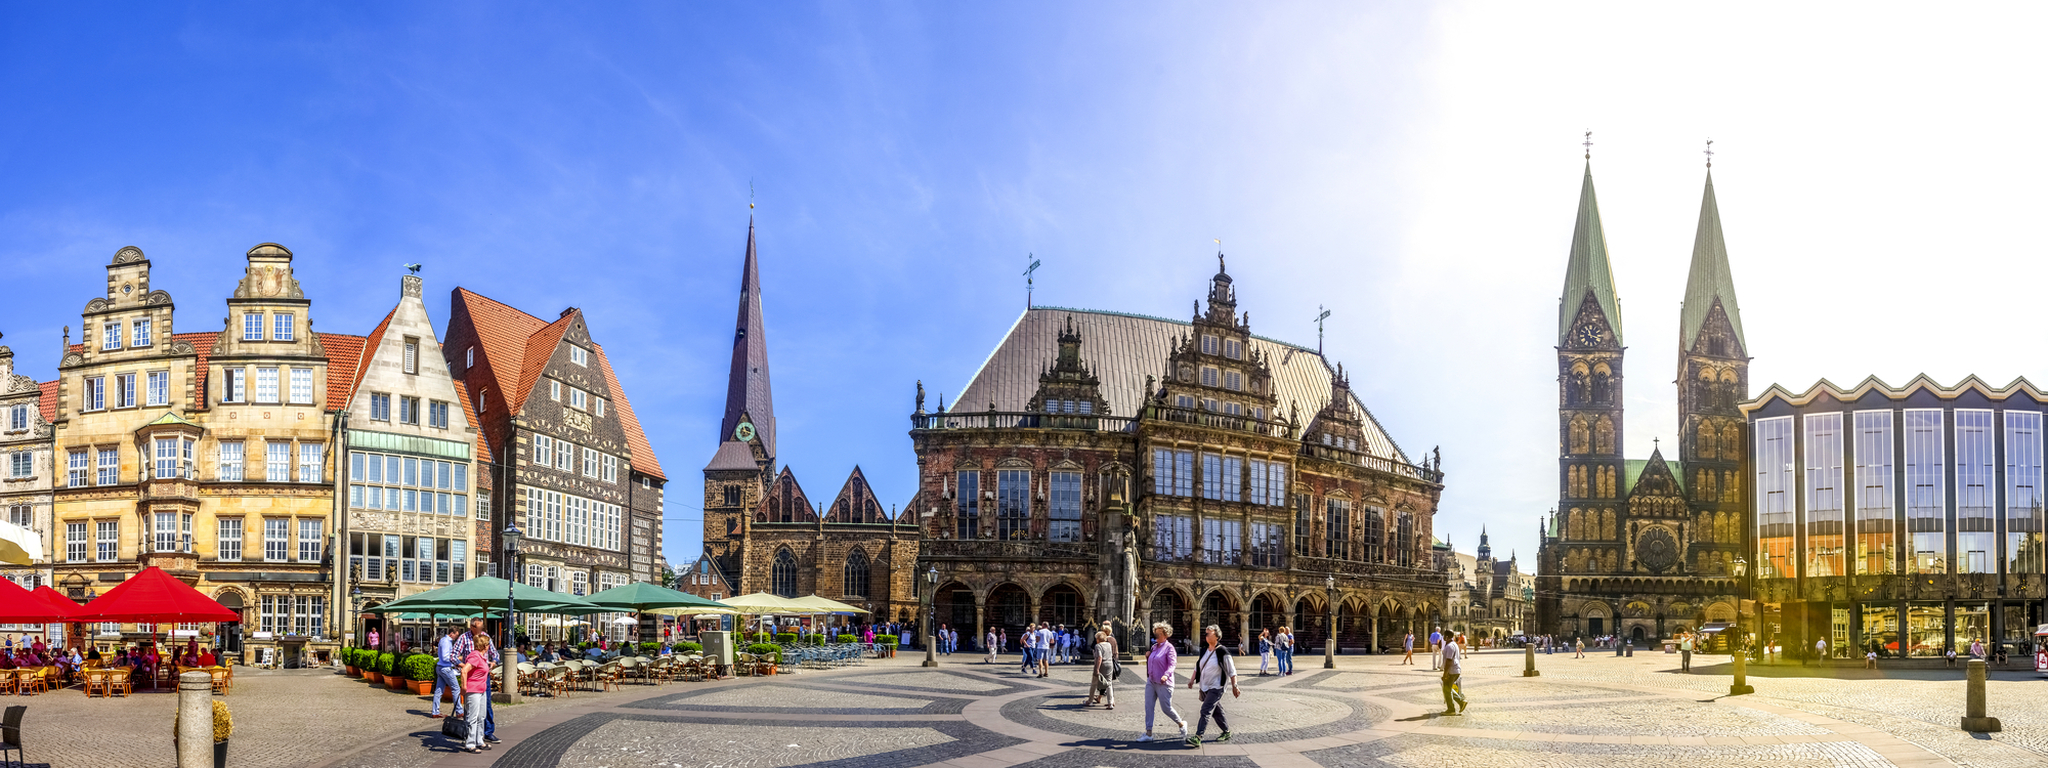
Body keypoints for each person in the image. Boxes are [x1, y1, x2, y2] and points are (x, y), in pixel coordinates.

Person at [1186, 624, 1239, 748]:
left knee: (1205, 710)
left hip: (1217, 687)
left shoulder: (1222, 651)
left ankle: (1198, 736)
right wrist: (1192, 680)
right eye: (1205, 633)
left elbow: (1232, 671)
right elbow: (1198, 666)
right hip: (1205, 686)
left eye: (1208, 633)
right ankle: (1226, 731)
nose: (1206, 635)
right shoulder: (1204, 649)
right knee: (1216, 711)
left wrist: (1235, 686)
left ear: (1216, 636)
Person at [1138, 622, 1188, 743]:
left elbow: (1172, 664)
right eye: (1155, 633)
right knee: (1148, 707)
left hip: (1164, 683)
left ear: (1165, 635)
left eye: (1158, 633)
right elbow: (1152, 662)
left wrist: (1166, 675)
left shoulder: (1169, 648)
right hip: (1151, 681)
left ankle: (1181, 724)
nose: (1156, 635)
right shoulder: (1154, 647)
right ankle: (1148, 733)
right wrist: (1147, 658)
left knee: (1166, 708)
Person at [456, 618, 500, 745]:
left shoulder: (485, 637)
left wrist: (493, 662)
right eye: (479, 628)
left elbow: (495, 654)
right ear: (472, 627)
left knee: (484, 710)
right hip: (473, 682)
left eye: (482, 628)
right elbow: (453, 656)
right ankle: (470, 740)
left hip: (483, 679)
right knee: (473, 714)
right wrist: (464, 666)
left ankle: (484, 736)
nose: (481, 631)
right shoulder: (465, 639)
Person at [457, 632, 494, 754]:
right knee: (472, 717)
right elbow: (464, 670)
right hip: (473, 691)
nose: (489, 646)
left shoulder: (482, 657)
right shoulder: (475, 656)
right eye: (488, 644)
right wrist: (464, 687)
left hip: (482, 690)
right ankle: (470, 743)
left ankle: (479, 740)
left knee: (481, 716)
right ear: (485, 646)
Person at [431, 625, 464, 719]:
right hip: (445, 668)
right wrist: (457, 659)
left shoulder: (443, 640)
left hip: (440, 667)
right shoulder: (446, 642)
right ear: (451, 633)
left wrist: (455, 663)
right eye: (456, 635)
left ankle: (435, 711)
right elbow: (446, 657)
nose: (456, 638)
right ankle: (459, 711)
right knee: (456, 688)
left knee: (439, 690)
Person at [1440, 632, 1467, 716]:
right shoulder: (1454, 644)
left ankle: (1451, 709)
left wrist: (1445, 673)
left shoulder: (1449, 646)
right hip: (1456, 670)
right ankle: (1461, 702)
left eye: (1444, 636)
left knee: (1446, 688)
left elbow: (1449, 660)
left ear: (1447, 637)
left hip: (1452, 671)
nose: (1443, 637)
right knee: (1448, 688)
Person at [1089, 630, 1118, 709]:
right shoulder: (1108, 644)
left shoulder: (1098, 646)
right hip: (1110, 664)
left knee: (1094, 683)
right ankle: (1110, 703)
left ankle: (1090, 701)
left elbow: (1099, 657)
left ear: (1098, 639)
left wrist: (1097, 669)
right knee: (1109, 684)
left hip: (1102, 665)